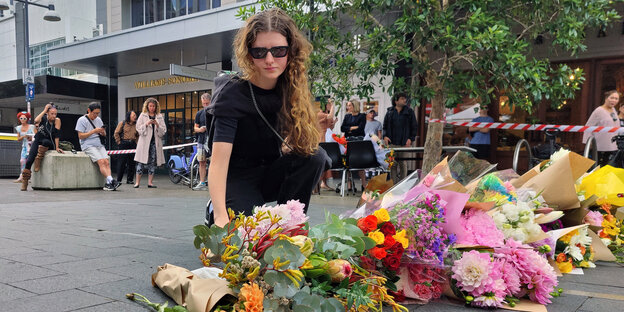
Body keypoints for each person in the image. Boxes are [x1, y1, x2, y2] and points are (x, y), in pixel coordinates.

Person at [207, 8, 329, 227]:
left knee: (315, 156)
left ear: (290, 51)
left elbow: (304, 153)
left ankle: (290, 223)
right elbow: (217, 163)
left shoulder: (290, 88)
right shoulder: (232, 93)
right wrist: (220, 216)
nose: (270, 60)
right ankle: (217, 208)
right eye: (260, 52)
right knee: (246, 239)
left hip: (270, 171)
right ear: (248, 53)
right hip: (237, 177)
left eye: (279, 51)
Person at [76, 102, 120, 191]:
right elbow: (80, 136)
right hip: (88, 145)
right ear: (89, 110)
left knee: (106, 162)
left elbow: (104, 134)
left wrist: (102, 132)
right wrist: (93, 131)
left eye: (98, 113)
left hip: (99, 144)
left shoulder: (99, 120)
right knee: (101, 161)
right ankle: (111, 180)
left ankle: (109, 183)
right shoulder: (81, 120)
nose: (96, 115)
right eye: (94, 113)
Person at [20, 103, 63, 191]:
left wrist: (57, 147)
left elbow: (57, 135)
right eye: (52, 113)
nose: (54, 116)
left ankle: (39, 158)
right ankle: (25, 182)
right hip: (38, 139)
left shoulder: (57, 120)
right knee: (29, 160)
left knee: (46, 141)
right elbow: (36, 120)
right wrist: (44, 110)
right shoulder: (43, 118)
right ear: (48, 113)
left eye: (55, 114)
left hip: (49, 142)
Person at [383, 93, 418, 182]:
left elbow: (414, 126)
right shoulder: (389, 112)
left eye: (405, 98)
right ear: (396, 101)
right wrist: (385, 136)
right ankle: (393, 184)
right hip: (392, 142)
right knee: (393, 164)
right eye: (402, 98)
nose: (404, 100)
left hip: (404, 142)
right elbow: (385, 126)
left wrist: (411, 138)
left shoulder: (409, 112)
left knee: (403, 163)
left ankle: (403, 184)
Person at [134, 97, 166, 188]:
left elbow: (163, 131)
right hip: (144, 143)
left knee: (152, 162)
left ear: (156, 107)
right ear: (147, 106)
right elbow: (138, 128)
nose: (152, 108)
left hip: (154, 143)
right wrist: (146, 124)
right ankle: (137, 182)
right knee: (140, 162)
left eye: (153, 106)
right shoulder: (143, 115)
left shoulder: (159, 116)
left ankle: (150, 182)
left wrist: (157, 124)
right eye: (150, 106)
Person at [583, 90, 621, 166]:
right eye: (612, 98)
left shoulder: (613, 110)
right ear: (606, 98)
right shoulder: (599, 111)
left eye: (616, 98)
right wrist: (588, 143)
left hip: (613, 146)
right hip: (600, 147)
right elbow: (588, 126)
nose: (614, 100)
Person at [193, 92, 212, 191]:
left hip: (212, 141)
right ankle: (202, 182)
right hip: (201, 140)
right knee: (201, 162)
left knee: (214, 162)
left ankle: (214, 182)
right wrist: (200, 129)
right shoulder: (199, 113)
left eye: (207, 103)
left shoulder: (214, 112)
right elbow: (195, 128)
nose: (205, 105)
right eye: (203, 103)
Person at [317, 98, 337, 191]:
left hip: (327, 137)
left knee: (327, 159)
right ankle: (318, 184)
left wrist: (335, 122)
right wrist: (333, 104)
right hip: (321, 137)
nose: (329, 105)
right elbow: (330, 115)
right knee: (322, 159)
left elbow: (330, 127)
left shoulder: (326, 114)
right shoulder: (320, 114)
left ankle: (324, 183)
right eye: (328, 104)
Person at [114, 110, 138, 184]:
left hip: (132, 144)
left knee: (132, 163)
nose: (135, 117)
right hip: (124, 144)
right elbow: (116, 133)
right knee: (121, 163)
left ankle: (130, 179)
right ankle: (119, 179)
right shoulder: (122, 123)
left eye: (135, 115)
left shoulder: (136, 125)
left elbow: (138, 135)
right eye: (133, 115)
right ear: (129, 116)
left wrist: (137, 143)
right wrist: (119, 142)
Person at [14, 111, 36, 183]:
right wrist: (24, 136)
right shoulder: (18, 128)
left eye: (24, 118)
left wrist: (30, 138)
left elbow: (36, 136)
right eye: (21, 118)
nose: (23, 119)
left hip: (31, 146)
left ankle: (29, 176)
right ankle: (22, 176)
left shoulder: (32, 127)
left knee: (30, 161)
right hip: (24, 147)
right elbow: (18, 139)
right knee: (22, 161)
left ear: (27, 119)